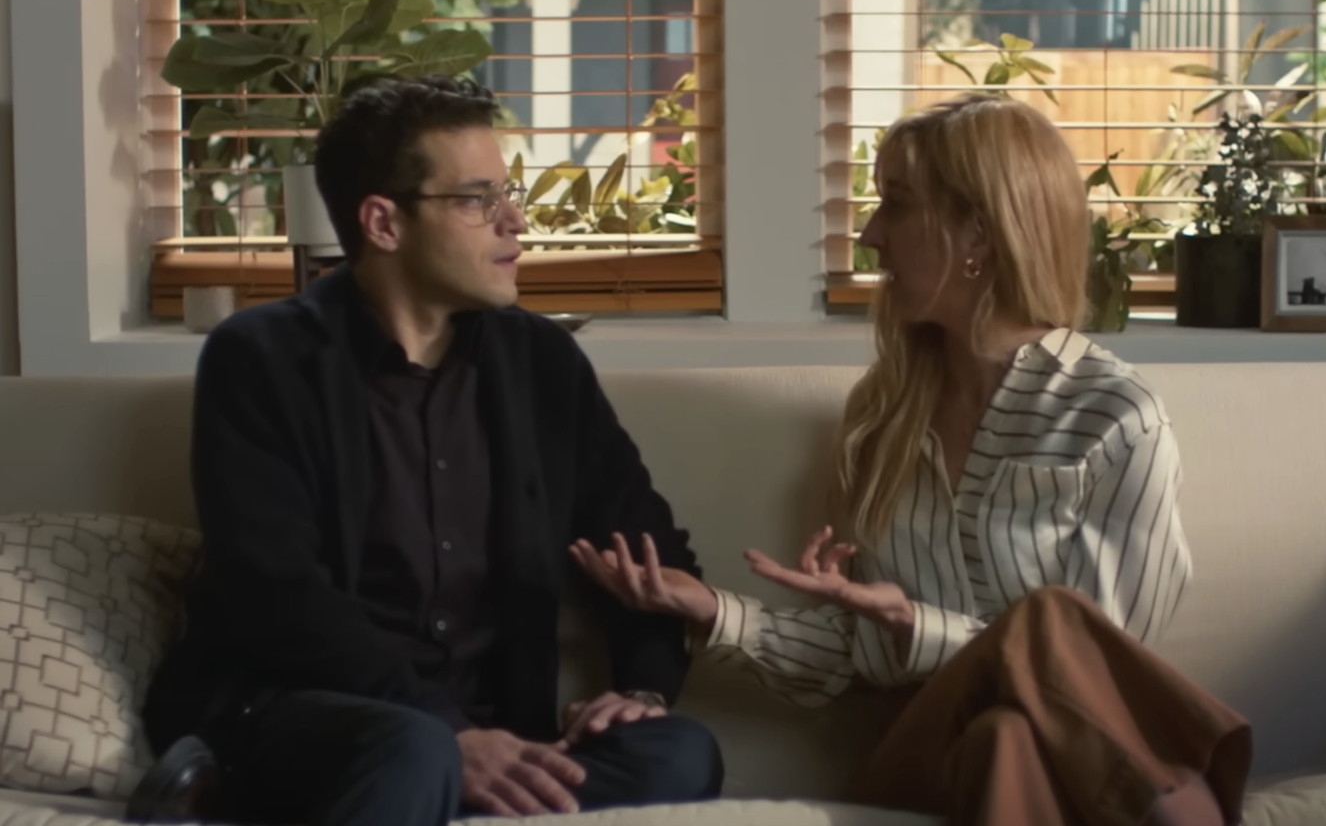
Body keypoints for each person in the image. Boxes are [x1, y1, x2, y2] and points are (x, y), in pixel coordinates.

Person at [570, 93, 1252, 826]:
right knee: (1046, 631)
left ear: (978, 236)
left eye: (894, 206)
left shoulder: (1114, 419)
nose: (868, 235)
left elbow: (1102, 668)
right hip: (911, 748)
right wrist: (708, 608)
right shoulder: (883, 412)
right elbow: (851, 655)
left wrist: (914, 623)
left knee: (1010, 730)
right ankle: (1180, 798)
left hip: (1045, 760)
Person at [137, 75, 723, 826]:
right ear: (383, 222)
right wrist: (451, 735)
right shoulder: (261, 358)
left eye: (508, 195)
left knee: (679, 753)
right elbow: (274, 594)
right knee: (411, 752)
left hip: (501, 733)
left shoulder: (542, 363)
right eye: (479, 200)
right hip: (301, 713)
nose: (516, 223)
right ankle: (240, 786)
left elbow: (648, 552)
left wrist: (640, 691)